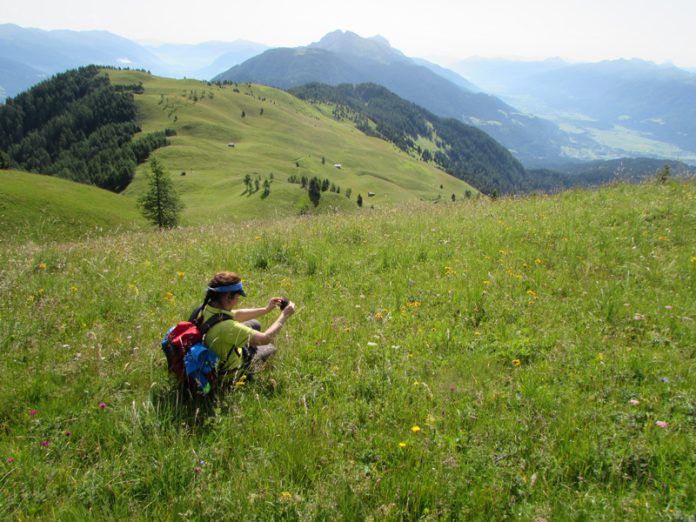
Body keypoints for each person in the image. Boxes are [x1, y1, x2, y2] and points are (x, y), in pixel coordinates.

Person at [194, 271, 295, 381]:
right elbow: (266, 338)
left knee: (254, 324)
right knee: (270, 349)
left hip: (219, 349)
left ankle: (250, 344)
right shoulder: (227, 327)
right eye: (237, 297)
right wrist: (284, 315)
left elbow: (236, 314)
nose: (238, 301)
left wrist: (266, 309)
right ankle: (249, 370)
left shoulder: (206, 308)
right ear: (228, 296)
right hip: (229, 374)